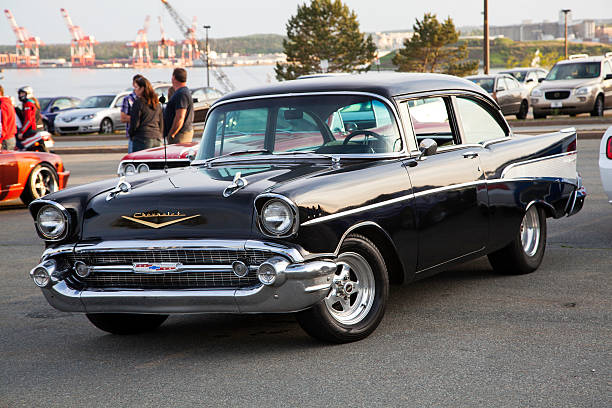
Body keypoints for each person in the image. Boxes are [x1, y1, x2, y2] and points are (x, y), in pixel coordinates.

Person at [129, 76, 163, 152]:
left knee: (141, 162)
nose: (135, 90)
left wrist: (131, 134)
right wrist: (160, 134)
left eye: (136, 88)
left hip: (142, 138)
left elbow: (135, 123)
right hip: (156, 137)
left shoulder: (139, 102)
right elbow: (161, 122)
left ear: (142, 88)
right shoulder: (156, 103)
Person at [164, 67, 194, 144]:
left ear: (174, 78)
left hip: (180, 135)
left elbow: (180, 117)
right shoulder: (183, 92)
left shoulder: (181, 94)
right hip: (181, 133)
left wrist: (172, 133)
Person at [121, 74, 144, 153]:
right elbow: (123, 117)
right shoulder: (128, 99)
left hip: (146, 134)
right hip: (134, 135)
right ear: (134, 84)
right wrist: (139, 118)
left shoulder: (148, 100)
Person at [0, 86, 17, 150]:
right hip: (10, 137)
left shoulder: (2, 106)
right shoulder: (8, 103)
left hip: (5, 139)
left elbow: (3, 125)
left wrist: (0, 141)